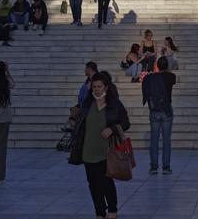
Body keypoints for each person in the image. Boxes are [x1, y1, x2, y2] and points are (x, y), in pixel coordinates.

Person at [69, 72, 130, 219]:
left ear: (106, 87)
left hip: (107, 150)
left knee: (106, 182)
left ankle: (112, 210)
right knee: (93, 184)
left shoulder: (115, 104)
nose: (97, 89)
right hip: (88, 150)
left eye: (99, 86)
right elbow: (81, 123)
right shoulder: (87, 104)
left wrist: (112, 129)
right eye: (94, 87)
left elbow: (126, 123)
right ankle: (99, 212)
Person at [142, 56, 177, 175]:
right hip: (167, 110)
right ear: (167, 65)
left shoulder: (151, 78)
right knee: (166, 140)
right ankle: (166, 167)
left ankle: (154, 167)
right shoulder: (171, 77)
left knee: (154, 139)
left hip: (155, 110)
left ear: (157, 65)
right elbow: (171, 76)